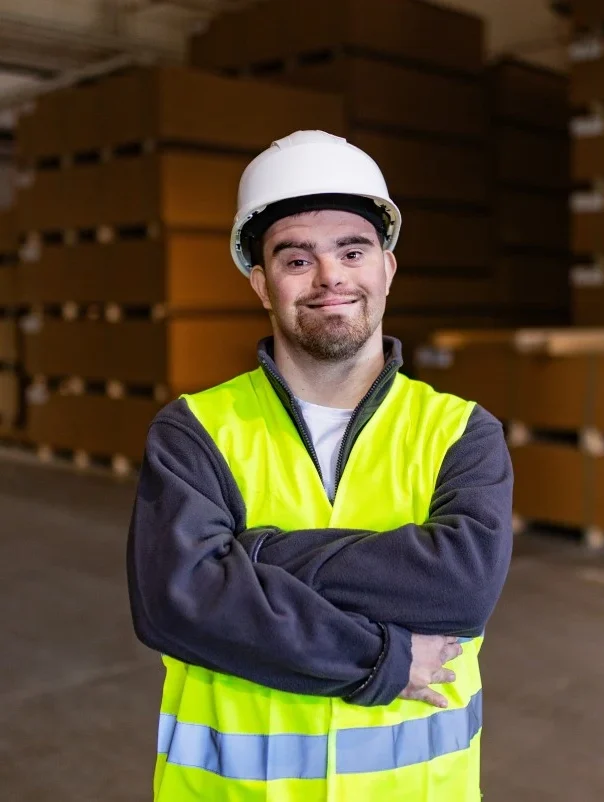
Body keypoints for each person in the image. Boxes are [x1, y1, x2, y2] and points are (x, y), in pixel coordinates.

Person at [127, 130, 513, 802]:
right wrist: (382, 660)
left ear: (387, 268)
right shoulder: (195, 431)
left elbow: (463, 587)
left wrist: (253, 560)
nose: (330, 277)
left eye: (352, 251)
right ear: (261, 283)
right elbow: (174, 603)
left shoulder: (460, 432)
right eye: (296, 259)